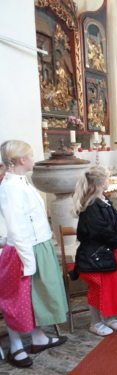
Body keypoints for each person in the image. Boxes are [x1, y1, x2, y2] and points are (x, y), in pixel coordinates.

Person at [0, 140, 68, 368]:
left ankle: (38, 338)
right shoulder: (10, 187)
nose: (33, 159)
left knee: (36, 296)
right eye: (30, 155)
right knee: (18, 299)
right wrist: (28, 261)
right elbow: (16, 228)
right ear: (21, 160)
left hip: (37, 245)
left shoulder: (22, 181)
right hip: (24, 250)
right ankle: (16, 345)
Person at [73, 166, 117, 336]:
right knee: (99, 288)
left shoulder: (104, 200)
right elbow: (100, 231)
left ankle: (109, 317)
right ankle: (95, 322)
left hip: (109, 252)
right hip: (95, 255)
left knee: (112, 287)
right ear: (100, 183)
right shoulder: (91, 206)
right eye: (108, 178)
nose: (109, 181)